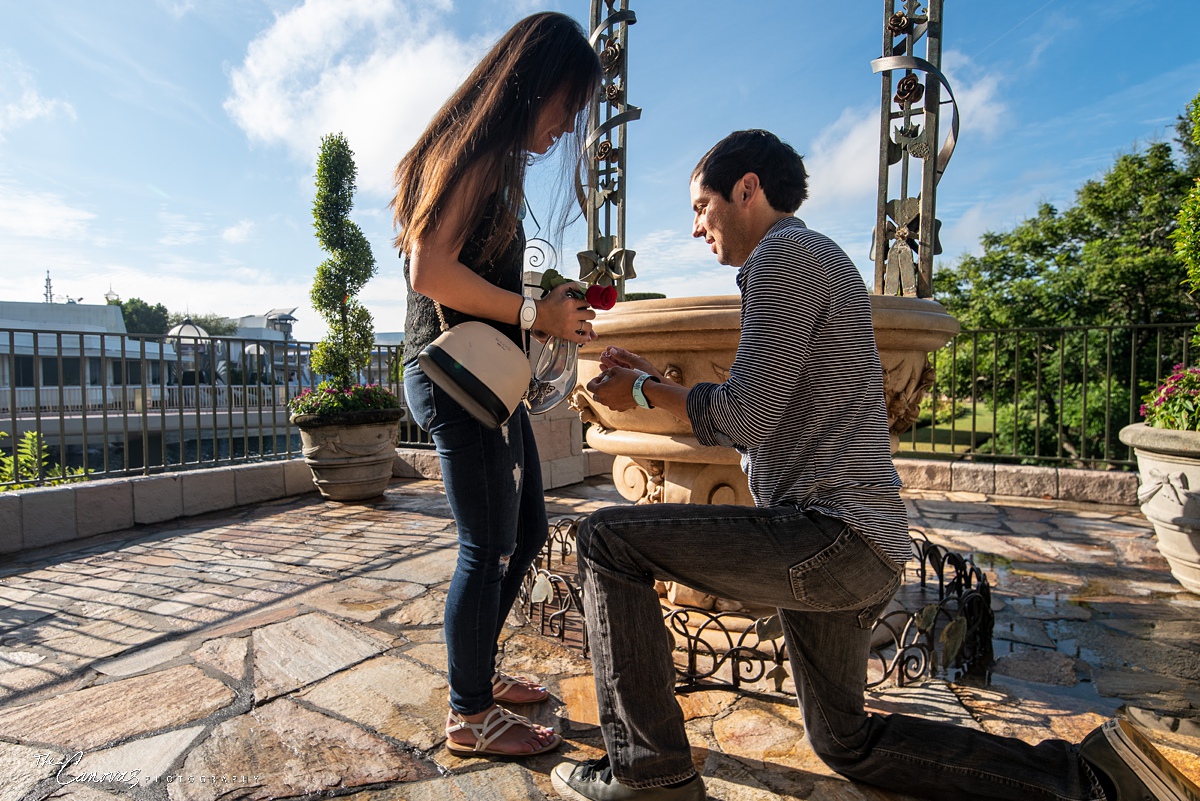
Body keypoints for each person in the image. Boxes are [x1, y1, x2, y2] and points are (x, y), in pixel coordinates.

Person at [551, 129, 1200, 801]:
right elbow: (764, 426)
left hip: (829, 536)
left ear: (747, 188)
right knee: (844, 741)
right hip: (857, 544)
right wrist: (658, 380)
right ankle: (1082, 780)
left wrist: (637, 392)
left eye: (700, 206)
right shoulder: (814, 257)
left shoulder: (784, 255)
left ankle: (650, 773)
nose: (694, 228)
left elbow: (743, 415)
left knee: (605, 540)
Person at [391, 12, 601, 758]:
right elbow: (430, 272)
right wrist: (530, 309)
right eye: (567, 104)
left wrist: (546, 306)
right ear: (534, 84)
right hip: (455, 378)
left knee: (529, 530)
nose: (566, 124)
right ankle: (469, 713)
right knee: (486, 544)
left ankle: (475, 673)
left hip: (484, 380)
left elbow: (473, 274)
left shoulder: (490, 159)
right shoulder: (475, 153)